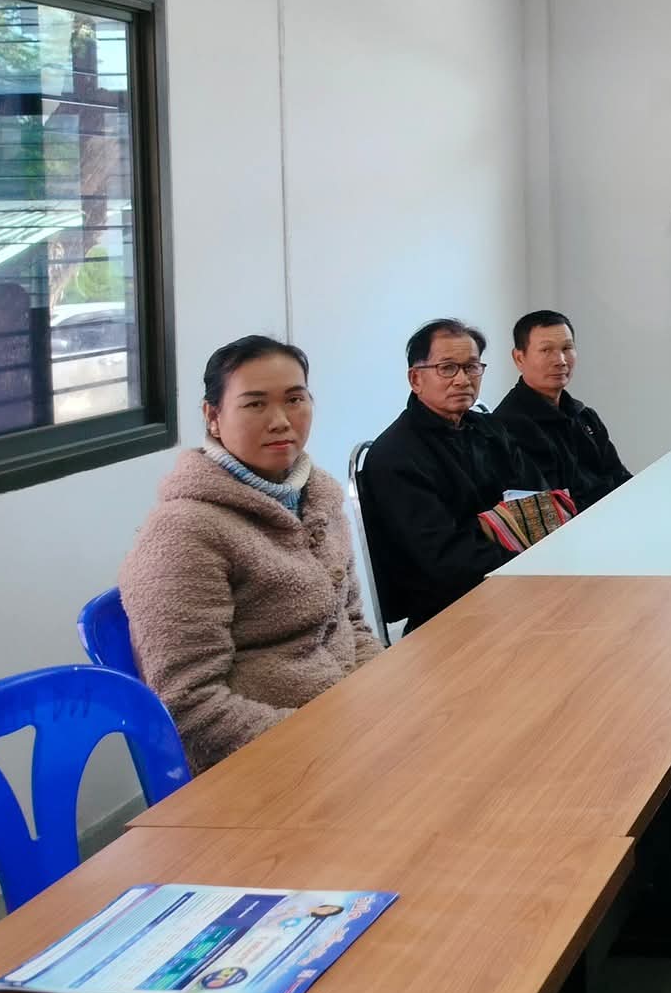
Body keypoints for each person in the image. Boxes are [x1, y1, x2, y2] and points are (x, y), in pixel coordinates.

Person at [120, 336, 381, 772]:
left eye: (295, 399)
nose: (281, 421)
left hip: (344, 733)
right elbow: (188, 706)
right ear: (213, 416)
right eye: (255, 404)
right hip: (265, 766)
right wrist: (327, 741)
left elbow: (351, 624)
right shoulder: (185, 531)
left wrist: (388, 698)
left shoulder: (317, 499)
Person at [359, 318, 545, 631]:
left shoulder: (491, 429)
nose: (462, 379)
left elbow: (538, 502)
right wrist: (525, 557)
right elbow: (443, 560)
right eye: (447, 368)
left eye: (472, 367)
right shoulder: (394, 455)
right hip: (447, 609)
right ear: (416, 379)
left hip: (515, 583)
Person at [493, 309, 631, 509]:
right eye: (546, 350)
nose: (560, 360)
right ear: (519, 358)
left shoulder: (584, 415)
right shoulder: (507, 427)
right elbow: (548, 508)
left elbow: (620, 477)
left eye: (567, 348)